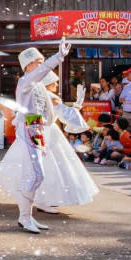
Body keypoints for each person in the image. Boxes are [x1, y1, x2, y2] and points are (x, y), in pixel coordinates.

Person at [0, 37, 71, 234]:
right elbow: (41, 72)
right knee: (36, 174)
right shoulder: (26, 81)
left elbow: (46, 109)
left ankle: (26, 217)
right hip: (28, 130)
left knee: (35, 175)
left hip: (36, 130)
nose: (41, 64)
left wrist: (48, 122)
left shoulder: (36, 84)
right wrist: (58, 57)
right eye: (38, 61)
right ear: (29, 64)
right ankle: (25, 217)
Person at [33, 72, 98, 213]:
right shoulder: (52, 98)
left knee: (40, 165)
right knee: (52, 166)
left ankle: (39, 198)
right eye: (54, 82)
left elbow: (32, 116)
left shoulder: (36, 95)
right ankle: (44, 200)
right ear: (47, 83)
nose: (57, 84)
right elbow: (66, 116)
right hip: (48, 132)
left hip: (39, 131)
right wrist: (77, 106)